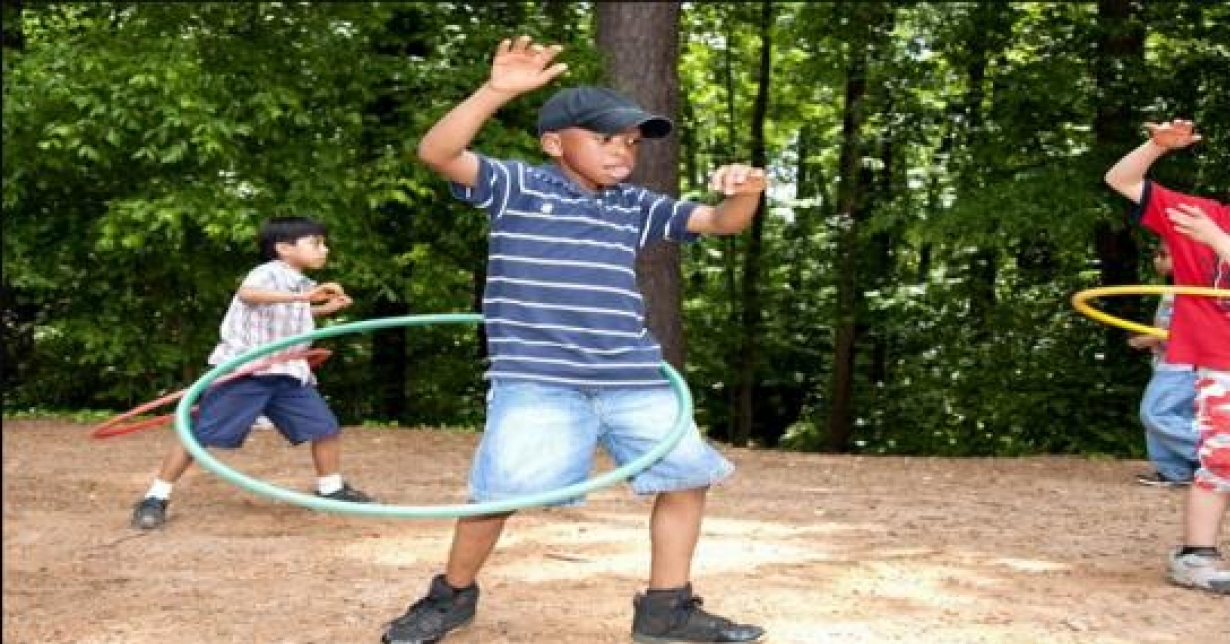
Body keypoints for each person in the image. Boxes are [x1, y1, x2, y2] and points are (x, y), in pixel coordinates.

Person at [381, 36, 767, 643]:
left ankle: (666, 609)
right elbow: (438, 151)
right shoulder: (516, 187)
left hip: (632, 374)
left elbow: (721, 222)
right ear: (555, 144)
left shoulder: (635, 206)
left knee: (686, 476)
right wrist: (495, 91)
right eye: (606, 139)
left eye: (631, 143)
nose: (623, 152)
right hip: (539, 378)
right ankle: (451, 596)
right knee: (498, 490)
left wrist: (746, 191)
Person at [130, 216, 375, 530]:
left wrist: (321, 309)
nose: (324, 249)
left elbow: (286, 312)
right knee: (199, 435)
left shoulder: (301, 282)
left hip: (287, 373)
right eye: (316, 243)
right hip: (244, 372)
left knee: (325, 427)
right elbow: (249, 294)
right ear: (284, 248)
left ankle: (331, 489)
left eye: (324, 243)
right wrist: (303, 298)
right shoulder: (268, 272)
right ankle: (155, 497)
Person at [1105, 118, 1230, 595]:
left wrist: (1217, 241)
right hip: (1221, 364)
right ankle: (1196, 555)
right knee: (1221, 460)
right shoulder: (1199, 215)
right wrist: (1154, 148)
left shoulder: (1210, 229)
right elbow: (1120, 179)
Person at [1126, 243, 1199, 487]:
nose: (1157, 259)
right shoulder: (1173, 289)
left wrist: (1147, 339)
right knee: (1177, 414)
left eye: (1163, 254)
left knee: (1155, 413)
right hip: (1168, 362)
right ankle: (1176, 471)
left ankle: (1215, 455)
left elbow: (1181, 330)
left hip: (1183, 364)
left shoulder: (1194, 288)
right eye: (1155, 254)